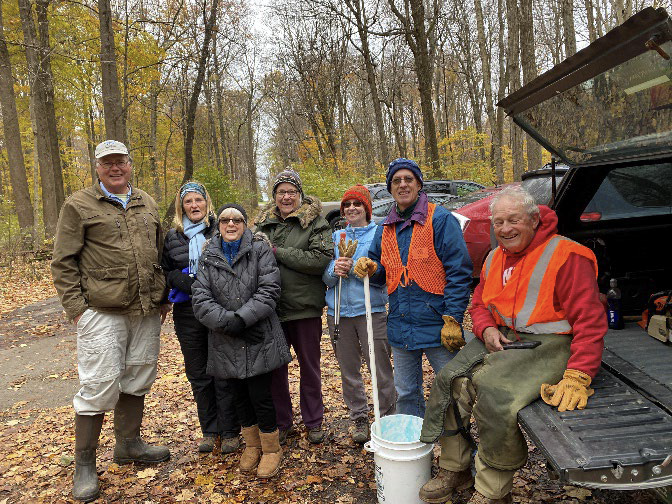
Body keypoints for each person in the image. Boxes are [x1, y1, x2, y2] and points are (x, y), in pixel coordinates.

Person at [418, 186, 607, 504]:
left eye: (513, 220)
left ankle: (493, 491)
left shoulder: (567, 256)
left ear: (534, 219)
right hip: (503, 337)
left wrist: (578, 375)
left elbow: (591, 324)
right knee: (449, 380)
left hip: (552, 345)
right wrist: (486, 327)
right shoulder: (494, 258)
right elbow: (478, 304)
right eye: (499, 222)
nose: (505, 229)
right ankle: (456, 467)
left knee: (493, 390)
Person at [51, 140, 171, 502]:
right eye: (107, 163)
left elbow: (161, 250)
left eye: (120, 162)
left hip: (146, 310)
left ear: (130, 165)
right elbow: (63, 261)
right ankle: (85, 464)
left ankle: (129, 444)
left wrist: (163, 296)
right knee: (99, 386)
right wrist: (78, 308)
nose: (115, 168)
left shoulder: (146, 201)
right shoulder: (79, 205)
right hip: (102, 312)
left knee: (138, 376)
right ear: (98, 167)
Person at [354, 158, 472, 418]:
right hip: (400, 324)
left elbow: (459, 272)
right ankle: (415, 448)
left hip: (438, 324)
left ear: (419, 184)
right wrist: (371, 269)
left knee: (452, 389)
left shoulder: (440, 219)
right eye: (396, 181)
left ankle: (457, 449)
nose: (403, 184)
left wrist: (453, 318)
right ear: (390, 188)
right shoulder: (384, 228)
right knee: (406, 392)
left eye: (408, 179)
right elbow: (379, 273)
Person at [192, 204, 291, 478]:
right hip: (226, 339)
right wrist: (230, 323)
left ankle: (271, 449)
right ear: (218, 225)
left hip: (258, 333)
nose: (231, 224)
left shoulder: (259, 250)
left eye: (237, 220)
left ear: (245, 224)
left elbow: (270, 289)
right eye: (225, 220)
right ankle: (252, 444)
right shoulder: (208, 255)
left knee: (260, 394)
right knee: (238, 395)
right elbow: (200, 298)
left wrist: (243, 319)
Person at [253, 169, 333, 444]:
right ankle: (282, 421)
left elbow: (319, 259)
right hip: (271, 310)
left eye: (291, 192)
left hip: (304, 308)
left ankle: (314, 421)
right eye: (281, 192)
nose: (286, 197)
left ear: (300, 194)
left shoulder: (316, 223)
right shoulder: (262, 225)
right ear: (274, 196)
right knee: (276, 370)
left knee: (310, 367)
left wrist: (277, 252)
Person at [162, 182, 240, 454]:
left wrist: (202, 283)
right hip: (187, 312)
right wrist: (183, 281)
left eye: (199, 200)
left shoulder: (221, 229)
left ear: (207, 203)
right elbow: (166, 271)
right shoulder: (173, 236)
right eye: (188, 201)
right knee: (198, 373)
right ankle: (210, 430)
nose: (194, 206)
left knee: (223, 370)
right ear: (180, 206)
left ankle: (231, 430)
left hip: (218, 308)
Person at [323, 185, 396, 443]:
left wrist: (366, 269)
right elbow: (326, 278)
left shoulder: (380, 234)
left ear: (366, 207)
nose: (352, 208)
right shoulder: (336, 237)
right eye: (347, 204)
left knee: (380, 368)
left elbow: (386, 274)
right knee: (349, 370)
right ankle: (359, 418)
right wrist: (335, 269)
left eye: (357, 204)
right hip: (339, 312)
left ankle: (386, 416)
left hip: (371, 311)